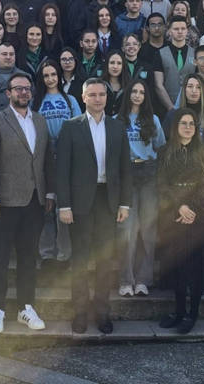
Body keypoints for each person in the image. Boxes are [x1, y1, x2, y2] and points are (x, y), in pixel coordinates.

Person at [57, 78, 132, 334]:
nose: (98, 99)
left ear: (106, 97)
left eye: (101, 94)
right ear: (83, 97)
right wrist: (64, 205)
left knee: (105, 259)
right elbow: (62, 169)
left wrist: (125, 203)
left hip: (108, 200)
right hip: (80, 202)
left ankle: (102, 312)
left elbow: (125, 168)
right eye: (92, 94)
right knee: (79, 258)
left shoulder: (117, 127)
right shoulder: (70, 127)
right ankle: (79, 311)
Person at [0, 72, 53, 333]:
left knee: (28, 257)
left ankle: (26, 308)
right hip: (4, 201)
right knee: (0, 258)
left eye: (27, 88)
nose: (23, 92)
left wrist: (50, 193)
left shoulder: (40, 121)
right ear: (8, 93)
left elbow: (46, 159)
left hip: (35, 200)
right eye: (18, 88)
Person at [155, 109, 204, 334]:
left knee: (196, 266)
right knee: (178, 265)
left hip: (198, 217)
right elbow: (162, 184)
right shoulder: (165, 152)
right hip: (174, 214)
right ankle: (179, 311)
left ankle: (193, 313)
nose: (188, 127)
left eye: (192, 123)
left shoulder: (203, 152)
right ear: (175, 127)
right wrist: (179, 206)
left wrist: (192, 209)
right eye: (183, 123)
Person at [117, 79, 166, 297]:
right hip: (126, 174)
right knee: (126, 230)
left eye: (142, 92)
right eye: (134, 91)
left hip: (148, 173)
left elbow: (160, 148)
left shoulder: (153, 120)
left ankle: (143, 279)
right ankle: (126, 280)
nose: (137, 95)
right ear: (128, 94)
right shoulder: (117, 120)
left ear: (146, 97)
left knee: (147, 229)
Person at [34, 60, 82, 264]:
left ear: (59, 76)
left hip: (66, 155)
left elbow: (80, 125)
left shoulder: (70, 100)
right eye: (46, 75)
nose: (50, 79)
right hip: (44, 156)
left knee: (62, 206)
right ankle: (46, 253)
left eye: (53, 74)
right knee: (46, 206)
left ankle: (64, 254)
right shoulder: (36, 101)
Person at [157, 16, 197, 113]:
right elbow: (158, 85)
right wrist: (171, 108)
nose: (180, 32)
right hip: (166, 109)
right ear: (170, 31)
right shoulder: (160, 53)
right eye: (176, 29)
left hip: (191, 108)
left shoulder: (195, 53)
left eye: (183, 29)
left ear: (187, 31)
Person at [95, 50, 127, 116]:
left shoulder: (128, 86)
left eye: (119, 63)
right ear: (107, 65)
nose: (115, 66)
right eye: (112, 63)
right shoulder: (98, 84)